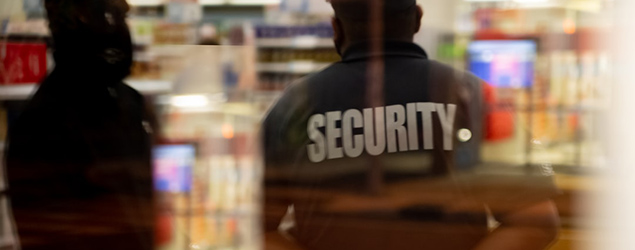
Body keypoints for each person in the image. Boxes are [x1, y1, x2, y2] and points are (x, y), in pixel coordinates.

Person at [262, 0, 560, 249]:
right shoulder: (475, 96)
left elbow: (257, 228)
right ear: (417, 19)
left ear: (336, 27)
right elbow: (537, 221)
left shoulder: (294, 106)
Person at [4, 0, 156, 249]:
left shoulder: (131, 103)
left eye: (120, 16)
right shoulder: (44, 124)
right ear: (62, 25)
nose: (113, 28)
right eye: (97, 15)